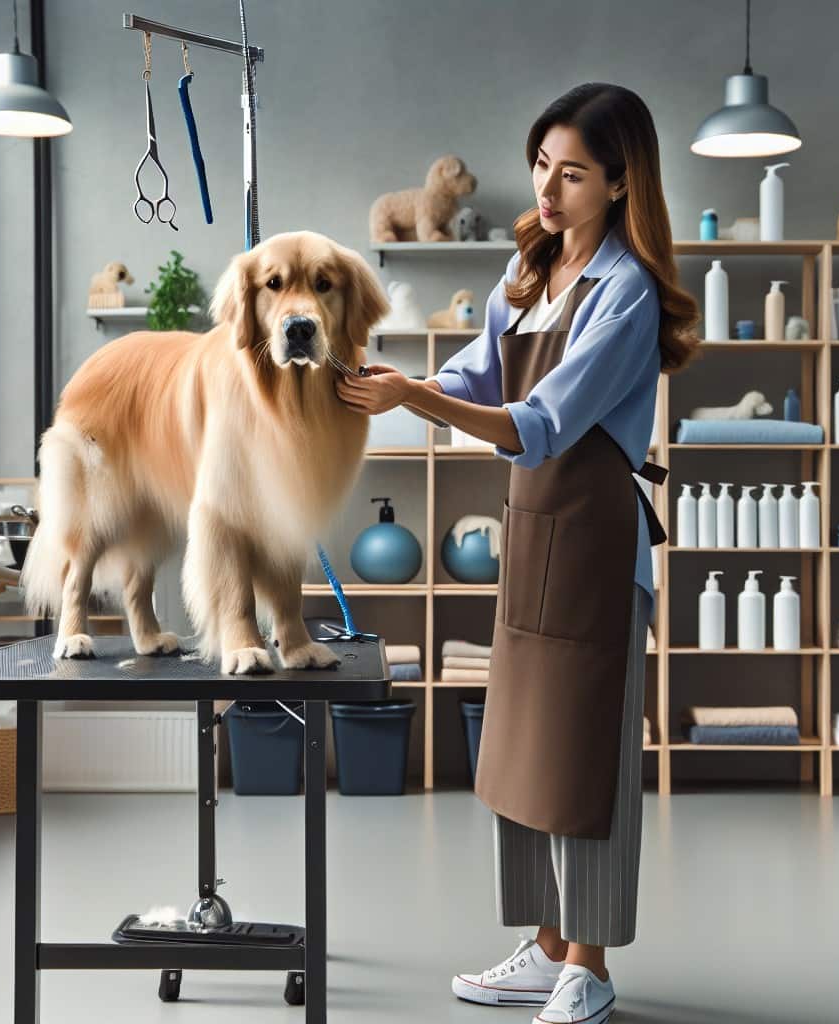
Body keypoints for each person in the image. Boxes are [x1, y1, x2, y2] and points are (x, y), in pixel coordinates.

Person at [337, 82, 701, 1024]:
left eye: (573, 172)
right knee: (527, 755)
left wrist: (413, 401)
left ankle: (592, 964)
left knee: (590, 762)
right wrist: (406, 379)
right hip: (534, 544)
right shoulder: (527, 273)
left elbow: (537, 425)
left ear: (622, 184)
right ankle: (545, 949)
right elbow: (476, 371)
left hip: (595, 552)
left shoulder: (625, 296)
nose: (547, 186)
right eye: (542, 163)